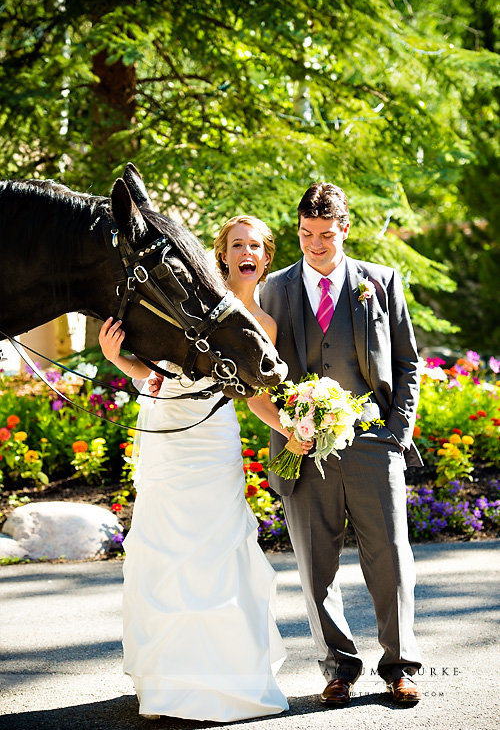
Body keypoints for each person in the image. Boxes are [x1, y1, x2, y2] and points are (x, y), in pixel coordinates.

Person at [98, 215, 300, 723]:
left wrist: (295, 432)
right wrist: (117, 359)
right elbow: (155, 375)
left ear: (265, 257)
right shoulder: (186, 293)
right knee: (165, 551)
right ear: (223, 253)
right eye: (236, 244)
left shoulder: (265, 323)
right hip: (168, 432)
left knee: (216, 550)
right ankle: (169, 684)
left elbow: (254, 399)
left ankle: (227, 680)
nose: (245, 252)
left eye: (254, 245)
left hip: (214, 440)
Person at [251, 182, 423, 706]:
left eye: (325, 235)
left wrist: (397, 432)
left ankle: (399, 667)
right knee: (315, 564)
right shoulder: (273, 290)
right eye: (305, 234)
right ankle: (338, 669)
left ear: (344, 229)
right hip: (301, 447)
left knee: (389, 557)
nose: (314, 245)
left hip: (373, 439)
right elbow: (256, 373)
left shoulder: (381, 282)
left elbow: (408, 362)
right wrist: (289, 428)